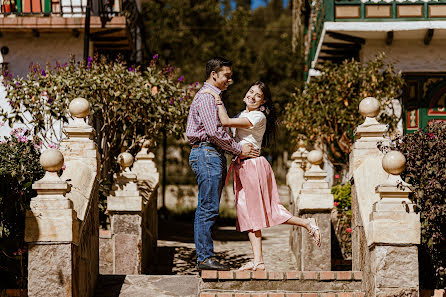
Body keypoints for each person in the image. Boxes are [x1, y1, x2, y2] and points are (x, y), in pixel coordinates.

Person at [201, 81, 321, 271]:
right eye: (250, 92)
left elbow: (225, 122)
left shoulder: (258, 116)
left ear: (263, 102)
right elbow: (225, 130)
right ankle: (258, 261)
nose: (252, 96)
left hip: (253, 166)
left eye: (257, 95)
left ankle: (307, 223)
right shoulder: (244, 114)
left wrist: (216, 98)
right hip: (243, 166)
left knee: (265, 211)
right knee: (249, 214)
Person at [186, 57, 260, 271]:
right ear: (214, 74)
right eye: (227, 75)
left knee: (208, 207)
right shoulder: (208, 98)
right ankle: (204, 258)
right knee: (207, 208)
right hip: (207, 153)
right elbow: (213, 132)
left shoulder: (213, 97)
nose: (230, 79)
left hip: (210, 154)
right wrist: (238, 149)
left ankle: (205, 257)